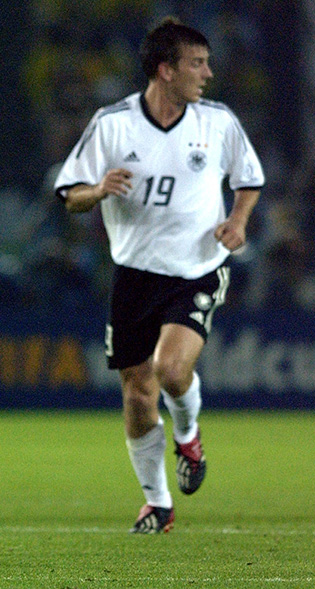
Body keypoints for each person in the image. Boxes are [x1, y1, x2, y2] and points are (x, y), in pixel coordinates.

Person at [54, 17, 264, 533]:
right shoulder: (113, 124)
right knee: (137, 391)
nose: (208, 73)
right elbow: (69, 194)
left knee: (171, 370)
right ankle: (158, 503)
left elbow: (249, 179)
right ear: (166, 70)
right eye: (197, 63)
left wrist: (237, 220)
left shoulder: (216, 122)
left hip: (196, 268)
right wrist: (98, 190)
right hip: (133, 275)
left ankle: (188, 436)